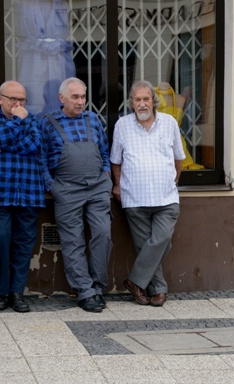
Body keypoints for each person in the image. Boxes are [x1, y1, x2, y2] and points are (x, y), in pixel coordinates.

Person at [111, 80, 185, 306]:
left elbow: (179, 159)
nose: (142, 104)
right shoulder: (122, 125)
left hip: (166, 197)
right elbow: (116, 161)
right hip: (134, 198)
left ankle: (135, 280)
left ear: (154, 101)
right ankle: (159, 289)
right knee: (146, 247)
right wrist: (117, 185)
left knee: (162, 240)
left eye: (146, 99)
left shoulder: (169, 122)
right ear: (131, 103)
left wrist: (173, 180)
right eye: (137, 99)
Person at [40, 77, 112, 313]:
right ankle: (85, 291)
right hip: (67, 189)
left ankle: (98, 286)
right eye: (75, 97)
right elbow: (41, 158)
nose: (81, 101)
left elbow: (103, 149)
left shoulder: (93, 119)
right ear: (62, 98)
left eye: (83, 96)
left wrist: (106, 175)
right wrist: (52, 186)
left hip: (97, 187)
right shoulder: (48, 122)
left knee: (103, 233)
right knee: (73, 241)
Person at [0, 80, 47, 312]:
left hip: (29, 192)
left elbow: (36, 144)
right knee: (1, 240)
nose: (18, 105)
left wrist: (5, 146)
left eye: (22, 100)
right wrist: (17, 121)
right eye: (13, 100)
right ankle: (0, 292)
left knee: (24, 244)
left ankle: (17, 293)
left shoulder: (33, 120)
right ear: (0, 99)